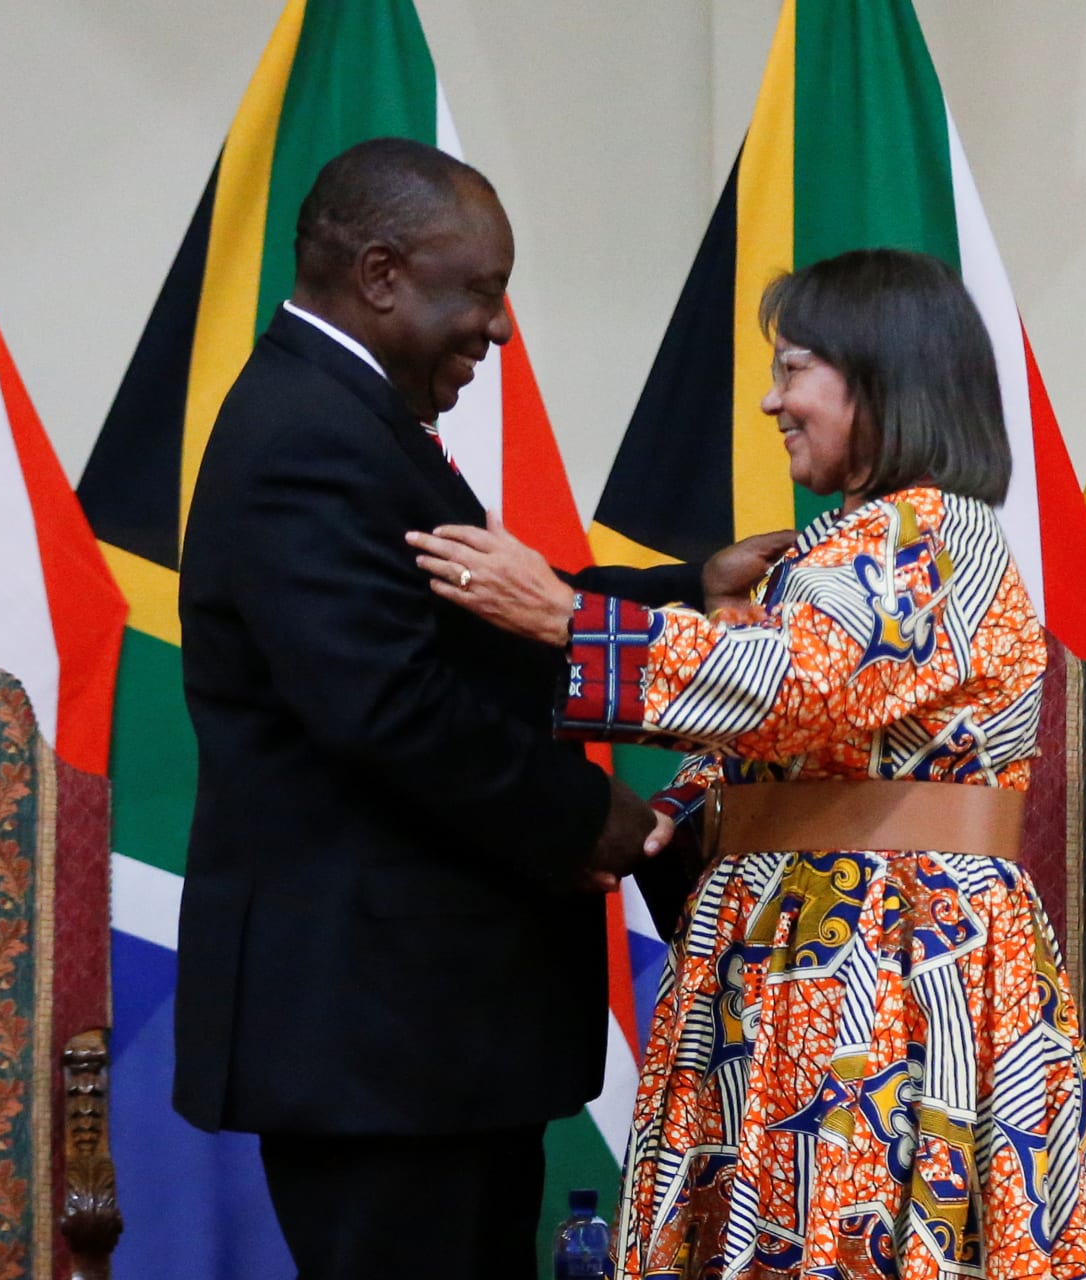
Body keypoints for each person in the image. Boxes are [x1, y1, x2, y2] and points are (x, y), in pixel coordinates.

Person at [411, 247, 1086, 1279]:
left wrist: (571, 617)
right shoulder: (863, 539)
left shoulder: (921, 532)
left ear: (880, 378)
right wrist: (664, 817)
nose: (768, 399)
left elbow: (798, 686)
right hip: (823, 949)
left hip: (881, 970)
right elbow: (810, 747)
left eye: (794, 369)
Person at [174, 137, 786, 1279]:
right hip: (376, 1043)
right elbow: (389, 704)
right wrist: (585, 814)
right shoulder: (306, 436)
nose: (501, 329)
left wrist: (680, 592)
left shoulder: (342, 418)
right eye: (482, 292)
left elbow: (476, 619)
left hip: (424, 1041)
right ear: (381, 274)